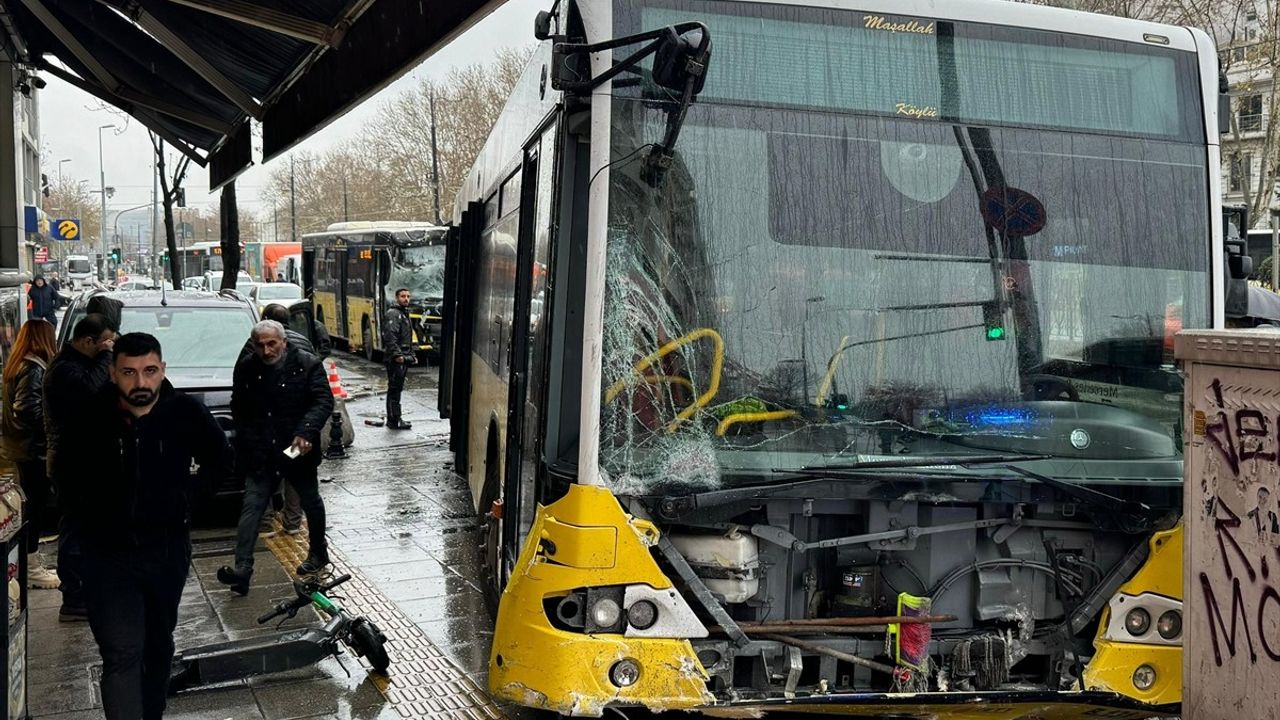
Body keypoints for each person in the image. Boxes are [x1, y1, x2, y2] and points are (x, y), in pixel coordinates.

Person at [73, 333, 231, 720]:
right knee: (122, 652)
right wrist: (92, 514)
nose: (140, 383)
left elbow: (221, 460)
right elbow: (66, 472)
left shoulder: (184, 413)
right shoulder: (91, 416)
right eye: (129, 372)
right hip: (107, 556)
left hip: (165, 552)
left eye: (149, 371)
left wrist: (187, 501)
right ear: (113, 374)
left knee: (158, 646)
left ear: (162, 371)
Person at [218, 320, 334, 594]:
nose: (267, 350)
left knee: (309, 499)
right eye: (260, 345)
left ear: (283, 341)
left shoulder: (306, 363)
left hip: (296, 446)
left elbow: (323, 400)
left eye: (272, 344)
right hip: (263, 449)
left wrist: (306, 431)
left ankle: (318, 552)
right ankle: (242, 569)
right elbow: (239, 407)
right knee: (252, 505)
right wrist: (249, 441)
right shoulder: (248, 368)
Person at [44, 313, 116, 621]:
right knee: (76, 528)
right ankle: (74, 597)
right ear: (89, 341)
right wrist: (106, 358)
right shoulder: (64, 369)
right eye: (104, 343)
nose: (108, 348)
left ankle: (87, 591)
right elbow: (87, 392)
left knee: (90, 528)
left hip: (89, 459)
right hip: (73, 461)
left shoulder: (79, 364)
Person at [0, 320, 59, 589]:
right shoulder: (34, 368)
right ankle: (32, 568)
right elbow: (27, 408)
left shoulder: (18, 364)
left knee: (30, 507)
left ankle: (27, 565)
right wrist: (49, 431)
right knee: (33, 508)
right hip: (33, 450)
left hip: (21, 447)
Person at [381, 287, 415, 430]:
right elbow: (390, 337)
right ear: (397, 298)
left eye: (408, 296)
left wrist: (411, 355)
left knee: (397, 389)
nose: (406, 299)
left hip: (403, 357)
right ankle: (394, 419)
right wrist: (398, 355)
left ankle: (395, 418)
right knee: (394, 389)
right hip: (396, 359)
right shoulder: (394, 314)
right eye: (403, 296)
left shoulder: (403, 313)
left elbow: (406, 337)